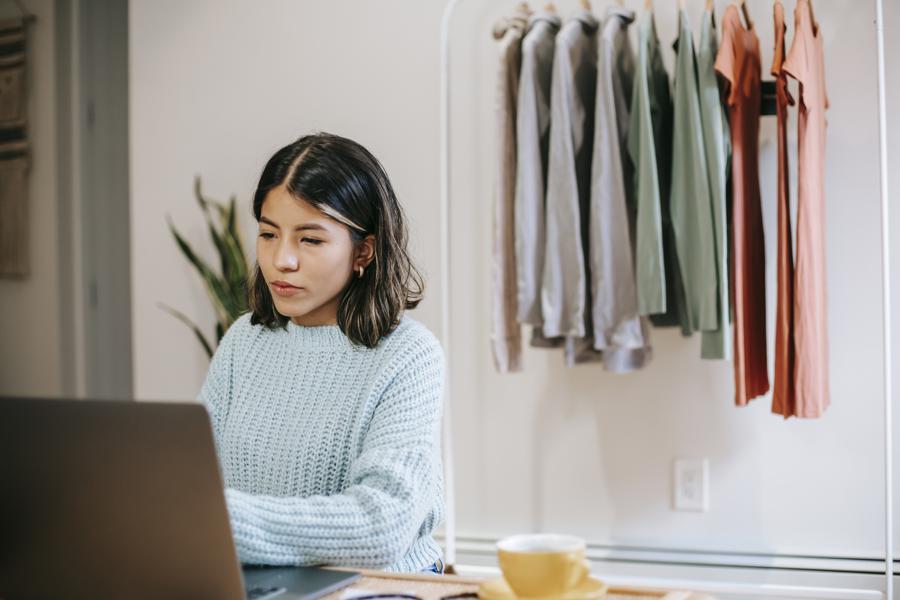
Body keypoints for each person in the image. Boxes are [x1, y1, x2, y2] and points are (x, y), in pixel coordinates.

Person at [199, 132, 446, 574]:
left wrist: (214, 520)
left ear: (363, 251)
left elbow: (381, 526)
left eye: (309, 240)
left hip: (374, 588)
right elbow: (189, 479)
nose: (281, 260)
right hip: (258, 583)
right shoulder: (243, 342)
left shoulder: (409, 355)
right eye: (269, 234)